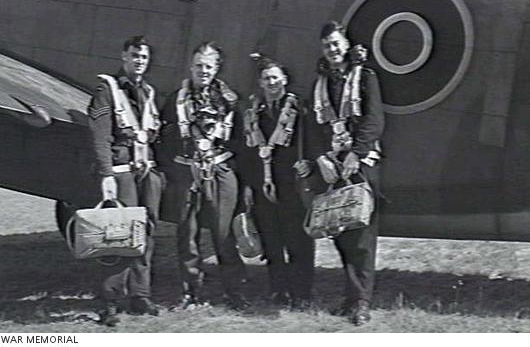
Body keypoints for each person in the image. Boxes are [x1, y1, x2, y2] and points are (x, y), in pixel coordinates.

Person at [308, 21, 384, 326]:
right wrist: (320, 159)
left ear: (346, 45)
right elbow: (314, 127)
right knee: (340, 232)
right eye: (327, 45)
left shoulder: (364, 77)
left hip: (361, 162)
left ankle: (362, 302)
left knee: (362, 234)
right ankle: (351, 297)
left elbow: (374, 119)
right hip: (333, 166)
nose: (333, 50)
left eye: (337, 44)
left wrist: (357, 153)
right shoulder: (321, 84)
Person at [161, 42, 247, 311]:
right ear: (191, 66)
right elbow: (162, 137)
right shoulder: (176, 99)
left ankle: (234, 292)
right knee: (188, 233)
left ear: (217, 68)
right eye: (198, 65)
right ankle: (191, 292)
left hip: (220, 170)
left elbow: (242, 141)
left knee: (223, 234)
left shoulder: (230, 100)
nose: (203, 71)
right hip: (186, 169)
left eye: (208, 66)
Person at [87, 35, 164, 327]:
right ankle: (110, 301)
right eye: (134, 55)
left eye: (143, 57)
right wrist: (106, 172)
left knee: (147, 233)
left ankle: (140, 295)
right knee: (119, 235)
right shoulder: (107, 89)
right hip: (121, 172)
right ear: (123, 57)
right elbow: (100, 133)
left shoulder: (148, 91)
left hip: (147, 171)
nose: (139, 61)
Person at [242, 53, 315, 310]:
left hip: (292, 184)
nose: (271, 82)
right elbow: (249, 153)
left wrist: (309, 166)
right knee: (271, 241)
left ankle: (302, 292)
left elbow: (311, 142)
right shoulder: (254, 112)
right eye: (266, 78)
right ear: (260, 83)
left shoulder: (298, 109)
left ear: (284, 79)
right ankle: (278, 290)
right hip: (263, 185)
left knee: (299, 240)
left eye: (275, 77)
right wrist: (250, 186)